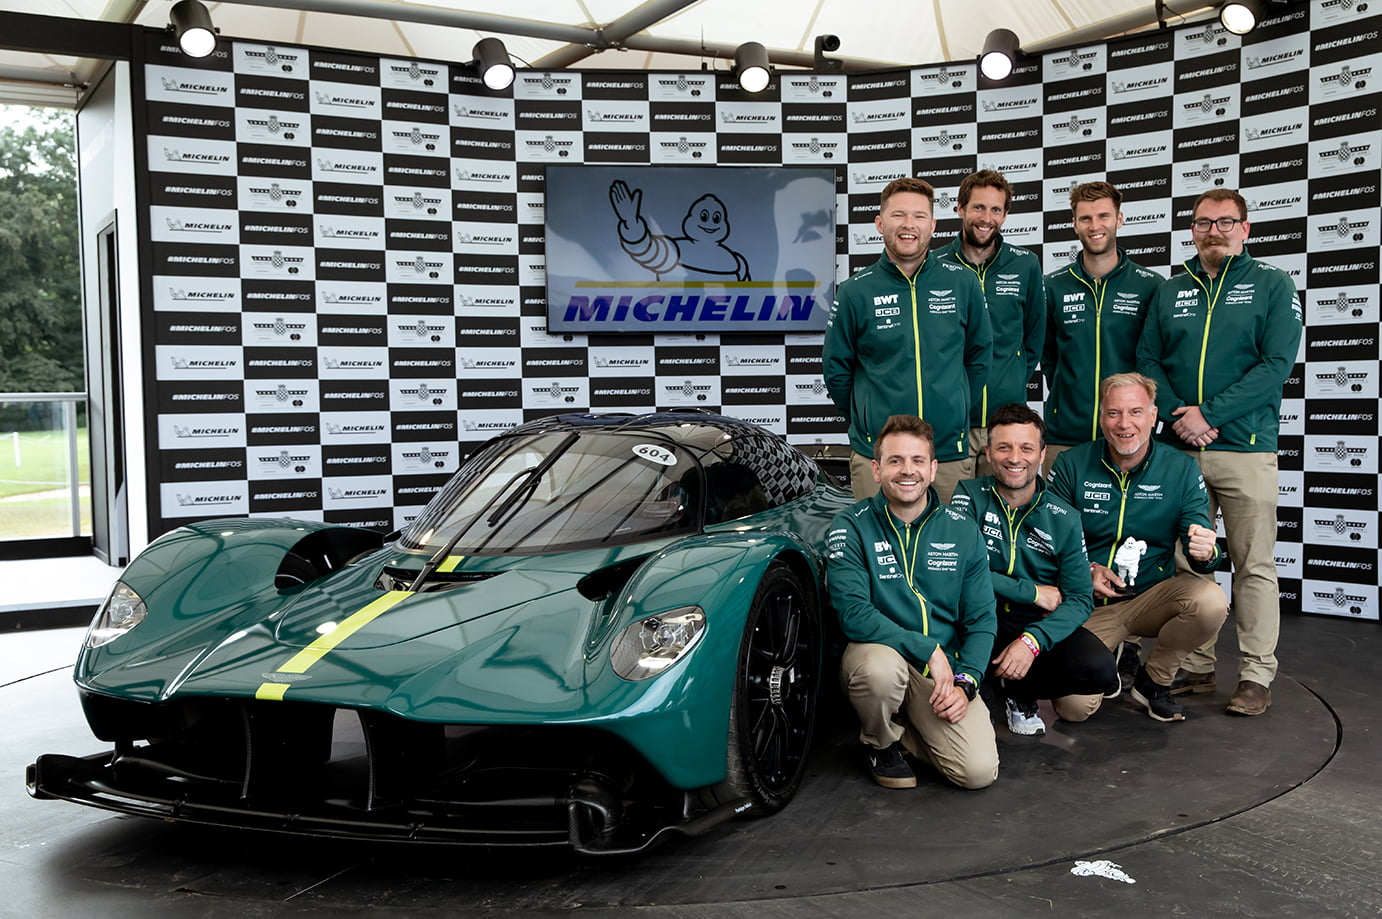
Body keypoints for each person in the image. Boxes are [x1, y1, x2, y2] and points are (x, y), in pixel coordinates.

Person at [1136, 188, 1303, 717]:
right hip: (1179, 449)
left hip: (1246, 449)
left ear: (1246, 228)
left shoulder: (1273, 285)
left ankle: (1255, 673)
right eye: (1205, 223)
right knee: (1189, 563)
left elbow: (1276, 364)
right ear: (1192, 230)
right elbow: (1147, 359)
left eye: (1226, 222)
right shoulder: (1171, 288)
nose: (1215, 232)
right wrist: (1184, 414)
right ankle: (1198, 666)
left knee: (1254, 565)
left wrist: (1212, 414)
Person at [827, 414, 999, 789]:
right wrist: (929, 650)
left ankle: (907, 730)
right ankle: (880, 741)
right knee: (879, 672)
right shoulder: (850, 525)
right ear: (876, 469)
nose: (908, 471)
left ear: (934, 469)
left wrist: (966, 681)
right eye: (895, 461)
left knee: (978, 773)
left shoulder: (962, 529)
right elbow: (853, 614)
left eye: (918, 461)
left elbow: (983, 620)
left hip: (938, 674)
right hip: (880, 656)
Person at [1048, 373, 1229, 723]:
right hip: (1087, 602)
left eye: (1135, 412)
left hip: (1150, 599)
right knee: (1073, 709)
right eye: (1114, 413)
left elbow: (1200, 537)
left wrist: (1208, 552)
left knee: (1210, 602)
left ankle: (1154, 680)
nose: (1124, 423)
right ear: (1101, 417)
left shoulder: (1180, 467)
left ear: (1153, 415)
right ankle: (1109, 652)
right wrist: (1085, 572)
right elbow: (1049, 541)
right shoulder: (1072, 463)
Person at [824, 177, 992, 503]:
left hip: (947, 452)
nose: (908, 225)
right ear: (879, 223)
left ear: (932, 225)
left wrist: (953, 408)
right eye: (898, 215)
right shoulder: (855, 291)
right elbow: (836, 370)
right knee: (877, 550)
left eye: (918, 216)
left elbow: (979, 356)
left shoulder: (963, 283)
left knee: (947, 549)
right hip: (879, 453)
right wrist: (868, 418)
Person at [951, 404, 1113, 737]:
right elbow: (958, 572)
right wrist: (1032, 591)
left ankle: (1017, 688)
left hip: (1030, 622)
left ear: (1042, 455)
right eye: (1004, 447)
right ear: (988, 453)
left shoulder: (1063, 516)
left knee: (1099, 670)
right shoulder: (967, 496)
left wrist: (1032, 642)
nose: (1015, 458)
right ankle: (988, 684)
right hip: (975, 619)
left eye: (1026, 448)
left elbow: (1080, 599)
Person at [1041, 181, 1164, 475]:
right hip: (1065, 435)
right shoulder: (1053, 286)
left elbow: (1156, 360)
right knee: (1058, 520)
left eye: (1104, 216)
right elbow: (1048, 356)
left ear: (1119, 219)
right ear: (1074, 224)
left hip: (1128, 437)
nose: (1095, 225)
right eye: (1085, 218)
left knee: (1126, 521)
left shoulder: (1150, 285)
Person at [938, 169, 1045, 480]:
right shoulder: (936, 266)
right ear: (960, 208)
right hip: (951, 421)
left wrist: (1008, 377)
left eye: (996, 209)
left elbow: (1034, 338)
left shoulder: (1025, 264)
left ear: (1006, 214)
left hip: (1005, 423)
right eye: (978, 207)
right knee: (949, 517)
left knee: (997, 519)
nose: (986, 218)